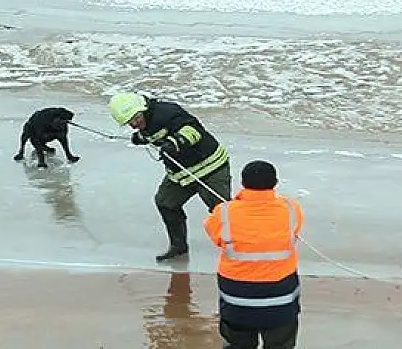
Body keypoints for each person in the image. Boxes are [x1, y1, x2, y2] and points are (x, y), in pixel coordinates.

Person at [108, 93, 232, 261]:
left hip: (210, 166)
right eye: (129, 122)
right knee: (165, 202)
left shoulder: (167, 112)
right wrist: (139, 138)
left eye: (135, 119)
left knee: (222, 212)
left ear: (143, 109)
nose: (134, 124)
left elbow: (194, 130)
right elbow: (153, 134)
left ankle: (238, 250)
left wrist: (175, 143)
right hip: (181, 173)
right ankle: (178, 246)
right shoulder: (144, 122)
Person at [204, 160, 304, 349]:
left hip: (236, 302)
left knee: (237, 344)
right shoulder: (292, 209)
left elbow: (214, 234)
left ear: (243, 183)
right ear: (275, 182)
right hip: (281, 303)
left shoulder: (223, 212)